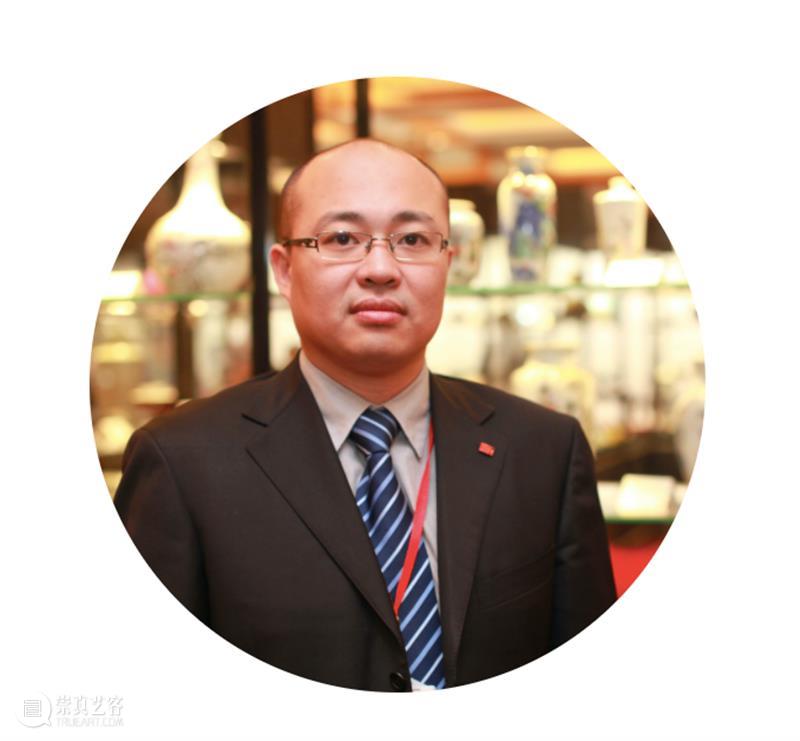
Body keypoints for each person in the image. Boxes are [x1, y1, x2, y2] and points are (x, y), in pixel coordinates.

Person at [114, 138, 616, 692]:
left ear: (448, 264)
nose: (380, 269)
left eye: (413, 240)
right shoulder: (183, 463)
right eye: (342, 239)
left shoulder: (543, 450)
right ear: (284, 270)